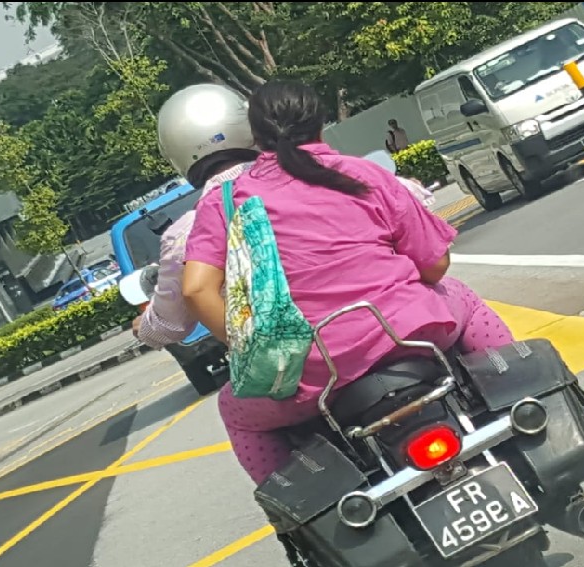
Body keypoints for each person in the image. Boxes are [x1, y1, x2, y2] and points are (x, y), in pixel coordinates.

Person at [182, 79, 514, 486]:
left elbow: (196, 290)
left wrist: (258, 351)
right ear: (321, 125)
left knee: (235, 409)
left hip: (310, 373)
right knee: (466, 299)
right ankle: (525, 400)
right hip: (412, 335)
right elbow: (435, 266)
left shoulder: (226, 202)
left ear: (256, 138)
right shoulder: (362, 173)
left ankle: (297, 515)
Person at [131, 83, 259, 349]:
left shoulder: (187, 233)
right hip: (362, 320)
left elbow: (169, 326)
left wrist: (144, 327)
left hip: (292, 358)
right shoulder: (304, 177)